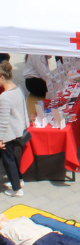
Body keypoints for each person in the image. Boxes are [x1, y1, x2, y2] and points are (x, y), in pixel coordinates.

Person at [0, 61, 29, 197]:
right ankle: (19, 179)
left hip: (8, 134)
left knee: (8, 160)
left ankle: (16, 189)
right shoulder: (18, 88)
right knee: (12, 157)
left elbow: (3, 121)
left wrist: (0, 139)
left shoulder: (4, 97)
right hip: (18, 130)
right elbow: (23, 108)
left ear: (1, 78)